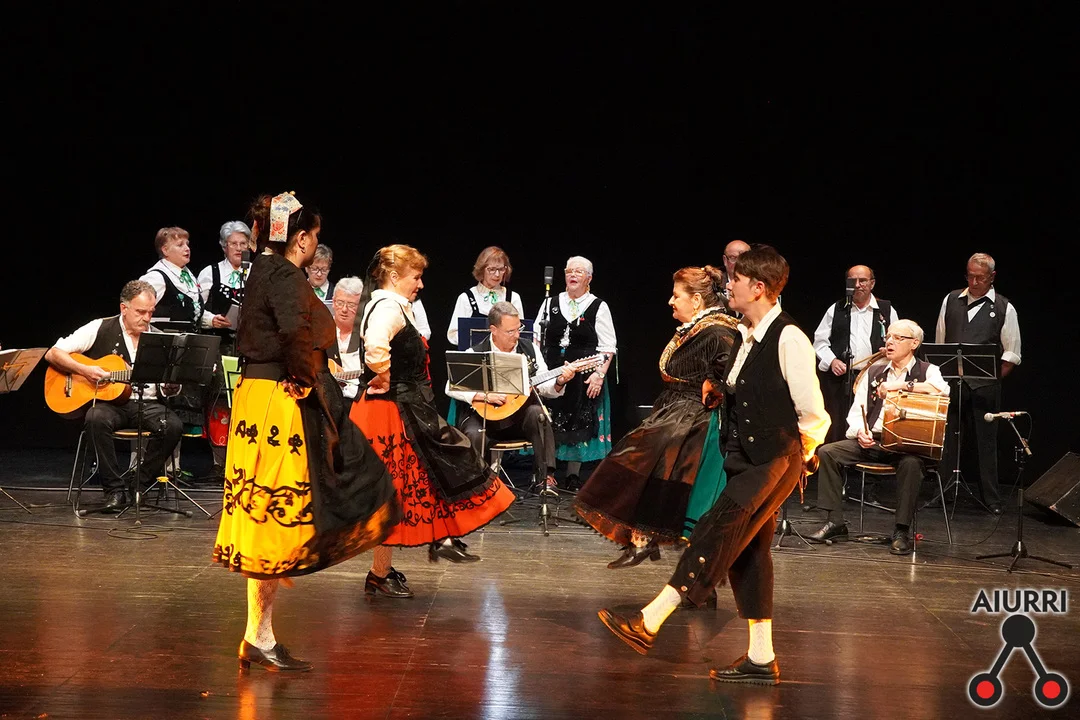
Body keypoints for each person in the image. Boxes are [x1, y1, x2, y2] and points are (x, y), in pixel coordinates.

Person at [597, 245, 829, 687]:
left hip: (773, 459)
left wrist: (800, 456)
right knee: (750, 554)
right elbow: (741, 385)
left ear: (757, 287)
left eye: (736, 280)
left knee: (714, 530)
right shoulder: (744, 334)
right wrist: (717, 388)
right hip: (746, 457)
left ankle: (650, 619)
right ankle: (761, 657)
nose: (729, 286)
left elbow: (813, 412)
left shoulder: (789, 338)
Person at [212, 192, 399, 672]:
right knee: (283, 517)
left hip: (262, 400)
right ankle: (258, 635)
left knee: (271, 521)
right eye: (314, 235)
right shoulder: (283, 274)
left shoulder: (264, 269)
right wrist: (306, 382)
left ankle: (258, 634)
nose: (316, 243)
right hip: (278, 404)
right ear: (300, 240)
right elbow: (295, 333)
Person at [349, 244, 516, 598]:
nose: (421, 284)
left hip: (403, 409)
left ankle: (414, 553)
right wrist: (382, 374)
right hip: (390, 413)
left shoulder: (395, 305)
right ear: (394, 276)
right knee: (398, 491)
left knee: (418, 481)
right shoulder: (387, 307)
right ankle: (393, 565)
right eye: (416, 277)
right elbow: (375, 345)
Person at [576, 266, 739, 569]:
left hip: (697, 421)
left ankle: (648, 541)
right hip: (677, 413)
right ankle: (642, 539)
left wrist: (715, 387)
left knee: (654, 465)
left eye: (677, 296)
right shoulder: (698, 328)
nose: (670, 301)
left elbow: (732, 374)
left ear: (696, 301)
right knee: (641, 459)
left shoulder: (718, 331)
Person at [807, 320, 949, 554]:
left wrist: (899, 385)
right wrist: (860, 431)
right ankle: (835, 522)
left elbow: (941, 390)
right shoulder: (874, 371)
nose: (890, 342)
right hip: (874, 440)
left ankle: (901, 530)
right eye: (888, 337)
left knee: (912, 465)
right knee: (828, 452)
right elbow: (857, 412)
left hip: (907, 447)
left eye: (898, 338)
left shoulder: (928, 371)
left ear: (914, 343)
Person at [44, 280, 184, 511]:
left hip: (147, 404)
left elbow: (166, 385)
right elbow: (53, 354)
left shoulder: (161, 340)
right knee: (95, 418)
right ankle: (114, 490)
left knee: (173, 426)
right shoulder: (99, 327)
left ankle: (138, 484)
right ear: (124, 308)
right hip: (111, 405)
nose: (147, 318)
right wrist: (85, 370)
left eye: (151, 312)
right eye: (140, 312)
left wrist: (169, 387)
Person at [446, 301, 575, 493]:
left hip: (518, 419)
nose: (517, 335)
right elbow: (451, 386)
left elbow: (544, 386)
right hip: (484, 419)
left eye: (518, 329)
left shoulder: (530, 350)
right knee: (473, 433)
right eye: (510, 331)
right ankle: (476, 485)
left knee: (539, 414)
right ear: (493, 330)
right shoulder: (475, 352)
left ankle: (544, 478)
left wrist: (560, 382)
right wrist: (483, 396)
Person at [934, 252, 1021, 515]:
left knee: (986, 443)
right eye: (970, 276)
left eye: (980, 278)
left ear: (992, 277)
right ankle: (944, 490)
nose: (973, 282)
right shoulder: (951, 300)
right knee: (947, 439)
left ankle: (991, 498)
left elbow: (1012, 353)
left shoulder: (1004, 307)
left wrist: (992, 380)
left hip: (985, 388)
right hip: (952, 385)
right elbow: (940, 343)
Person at [534, 256, 616, 488]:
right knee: (548, 419)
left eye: (579, 272)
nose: (572, 275)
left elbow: (608, 346)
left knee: (579, 421)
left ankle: (572, 474)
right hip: (552, 371)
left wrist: (599, 375)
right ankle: (547, 472)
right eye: (569, 271)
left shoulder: (598, 306)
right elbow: (536, 338)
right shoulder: (550, 303)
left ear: (589, 278)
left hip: (584, 374)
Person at [812, 265, 900, 444]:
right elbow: (819, 342)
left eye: (863, 281)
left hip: (874, 379)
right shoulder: (837, 308)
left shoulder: (886, 310)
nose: (858, 285)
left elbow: (899, 340)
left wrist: (889, 350)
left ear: (872, 283)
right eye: (853, 281)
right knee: (837, 424)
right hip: (841, 380)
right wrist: (832, 361)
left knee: (869, 423)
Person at [446, 246, 526, 348]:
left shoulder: (513, 298)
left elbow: (522, 331)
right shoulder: (466, 298)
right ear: (481, 269)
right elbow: (453, 334)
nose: (497, 274)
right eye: (492, 269)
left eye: (501, 269)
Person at [197, 220, 254, 353]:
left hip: (250, 345)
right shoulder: (210, 273)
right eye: (233, 243)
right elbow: (196, 308)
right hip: (217, 345)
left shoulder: (256, 272)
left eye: (243, 243)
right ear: (224, 247)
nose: (239, 248)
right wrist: (211, 320)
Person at [140, 226, 204, 328]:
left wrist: (211, 319)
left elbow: (193, 309)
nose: (187, 249)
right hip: (163, 337)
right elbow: (137, 312)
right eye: (180, 245)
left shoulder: (189, 276)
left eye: (187, 244)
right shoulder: (156, 277)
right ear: (165, 250)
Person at [326, 276, 365, 411]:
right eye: (340, 302)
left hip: (360, 402)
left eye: (351, 305)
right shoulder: (321, 331)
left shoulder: (367, 334)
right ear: (333, 302)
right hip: (328, 402)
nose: (344, 309)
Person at [719, 240, 751, 314]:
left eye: (743, 258)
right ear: (725, 260)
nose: (739, 263)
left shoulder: (757, 282)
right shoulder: (714, 284)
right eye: (733, 258)